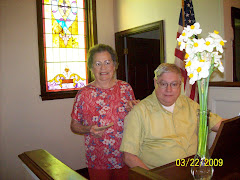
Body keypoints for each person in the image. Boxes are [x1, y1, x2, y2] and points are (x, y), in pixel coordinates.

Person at [120, 63, 224, 170]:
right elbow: (129, 157)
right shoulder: (139, 112)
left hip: (193, 171)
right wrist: (152, 177)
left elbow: (221, 125)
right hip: (160, 175)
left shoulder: (190, 105)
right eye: (163, 84)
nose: (169, 90)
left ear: (180, 84)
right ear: (155, 83)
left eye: (174, 84)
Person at [70, 44, 139, 180]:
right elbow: (74, 125)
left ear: (114, 65)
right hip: (97, 160)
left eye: (107, 62)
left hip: (126, 156)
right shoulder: (84, 94)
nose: (103, 68)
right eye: (98, 64)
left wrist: (135, 108)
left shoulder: (126, 88)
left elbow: (135, 119)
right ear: (91, 68)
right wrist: (89, 129)